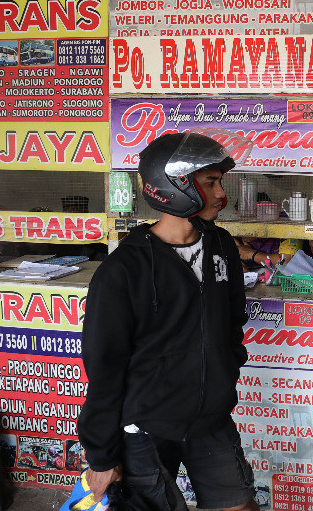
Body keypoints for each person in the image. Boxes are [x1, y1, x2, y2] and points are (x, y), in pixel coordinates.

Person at [78, 132, 259, 511]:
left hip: (210, 417)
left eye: (219, 181)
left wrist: (224, 370)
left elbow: (232, 320)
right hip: (146, 427)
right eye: (210, 182)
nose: (220, 194)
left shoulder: (222, 245)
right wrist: (100, 455)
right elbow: (104, 366)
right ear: (172, 186)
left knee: (239, 505)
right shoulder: (123, 270)